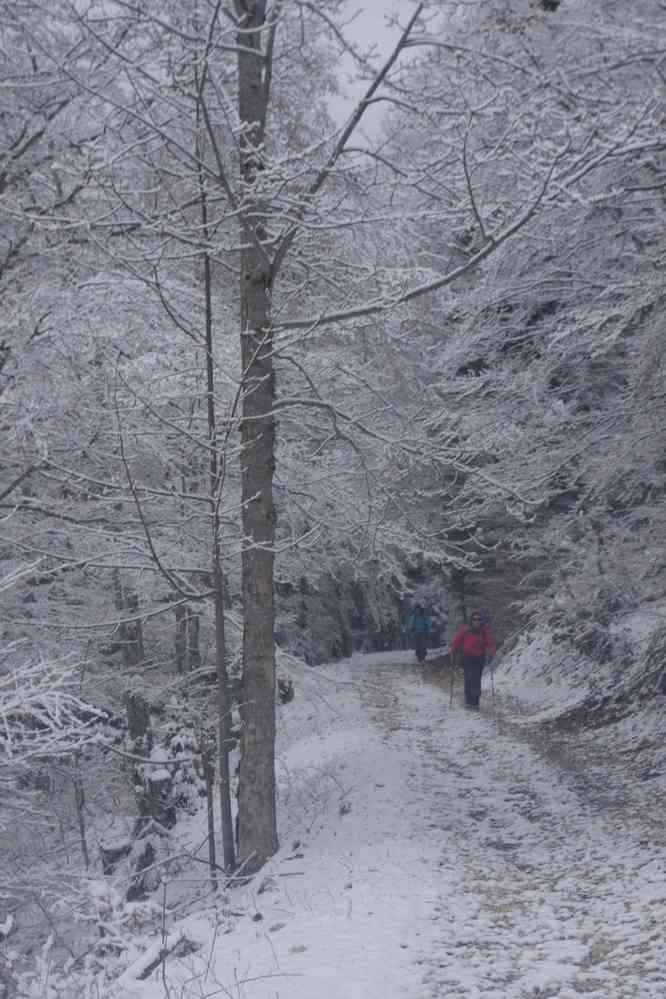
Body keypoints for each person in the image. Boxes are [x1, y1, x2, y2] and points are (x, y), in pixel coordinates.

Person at [450, 609, 496, 708]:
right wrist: (454, 651)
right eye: (474, 619)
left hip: (479, 657)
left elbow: (490, 643)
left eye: (479, 619)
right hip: (467, 657)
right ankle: (468, 700)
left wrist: (490, 651)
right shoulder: (465, 630)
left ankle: (475, 701)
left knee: (476, 679)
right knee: (469, 678)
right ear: (471, 620)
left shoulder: (484, 631)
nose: (476, 621)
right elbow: (456, 641)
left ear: (481, 620)